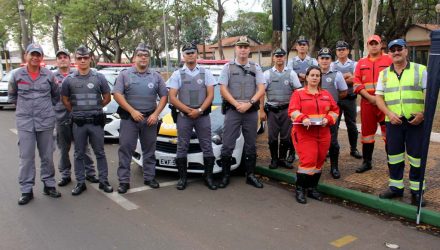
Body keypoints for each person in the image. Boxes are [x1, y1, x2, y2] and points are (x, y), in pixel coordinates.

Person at [375, 39, 427, 206]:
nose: (396, 52)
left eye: (399, 49)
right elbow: (379, 98)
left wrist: (423, 114)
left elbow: (431, 95)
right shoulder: (384, 74)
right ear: (389, 53)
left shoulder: (420, 70)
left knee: (416, 158)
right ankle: (396, 188)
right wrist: (389, 113)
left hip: (415, 122)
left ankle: (417, 191)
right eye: (393, 50)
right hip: (393, 122)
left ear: (406, 50)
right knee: (394, 156)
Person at [8, 43, 61, 205]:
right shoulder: (16, 75)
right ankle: (26, 189)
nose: (35, 57)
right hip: (25, 123)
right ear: (26, 56)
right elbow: (12, 97)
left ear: (41, 58)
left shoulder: (49, 75)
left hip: (45, 121)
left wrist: (44, 110)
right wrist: (25, 110)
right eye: (32, 54)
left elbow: (55, 95)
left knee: (47, 155)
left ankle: (49, 185)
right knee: (26, 157)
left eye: (38, 55)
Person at [113, 43, 168, 194]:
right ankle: (124, 181)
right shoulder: (124, 74)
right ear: (134, 57)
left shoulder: (155, 76)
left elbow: (164, 96)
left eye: (146, 56)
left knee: (149, 150)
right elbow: (117, 95)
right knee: (125, 150)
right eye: (140, 55)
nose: (143, 58)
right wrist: (132, 111)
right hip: (130, 119)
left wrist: (156, 114)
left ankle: (149, 177)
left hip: (149, 119)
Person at [61, 45, 113, 195]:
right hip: (79, 123)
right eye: (79, 58)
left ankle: (104, 181)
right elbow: (64, 99)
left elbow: (107, 97)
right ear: (75, 60)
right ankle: (80, 182)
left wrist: (95, 108)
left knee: (100, 153)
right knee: (78, 153)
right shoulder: (69, 80)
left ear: (90, 59)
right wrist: (77, 112)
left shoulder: (99, 77)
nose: (82, 60)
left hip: (96, 122)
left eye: (85, 58)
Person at [218, 36, 266, 189]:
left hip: (250, 112)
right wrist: (236, 104)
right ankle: (225, 175)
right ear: (236, 49)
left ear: (249, 50)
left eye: (246, 47)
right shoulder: (227, 67)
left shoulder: (256, 67)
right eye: (240, 47)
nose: (243, 49)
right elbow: (223, 89)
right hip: (233, 111)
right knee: (227, 144)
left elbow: (261, 88)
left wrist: (250, 103)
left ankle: (250, 175)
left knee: (251, 144)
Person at [167, 42, 216, 190]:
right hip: (184, 116)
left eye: (193, 52)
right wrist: (189, 111)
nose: (190, 55)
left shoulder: (205, 73)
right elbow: (172, 97)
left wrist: (199, 110)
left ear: (197, 54)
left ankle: (208, 177)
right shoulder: (177, 74)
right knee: (182, 146)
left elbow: (210, 95)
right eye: (187, 53)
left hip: (202, 116)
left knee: (207, 146)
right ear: (183, 56)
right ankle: (183, 178)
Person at [288, 65, 339, 204]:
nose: (315, 78)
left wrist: (328, 119)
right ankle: (300, 189)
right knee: (308, 162)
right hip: (304, 134)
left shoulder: (326, 94)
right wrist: (302, 118)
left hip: (323, 133)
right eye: (312, 75)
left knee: (319, 161)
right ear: (307, 77)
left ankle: (312, 189)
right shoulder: (298, 94)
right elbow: (293, 110)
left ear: (320, 78)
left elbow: (335, 111)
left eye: (318, 75)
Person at [53, 49, 98, 187]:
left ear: (70, 59)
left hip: (79, 117)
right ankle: (65, 175)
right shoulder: (51, 77)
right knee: (64, 149)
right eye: (59, 57)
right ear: (57, 61)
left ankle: (90, 173)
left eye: (65, 57)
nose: (62, 59)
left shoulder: (77, 75)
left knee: (84, 147)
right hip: (61, 118)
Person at [353, 35, 392, 173]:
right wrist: (370, 97)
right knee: (367, 133)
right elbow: (356, 82)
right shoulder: (361, 62)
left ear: (381, 44)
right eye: (371, 44)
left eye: (376, 43)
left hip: (386, 103)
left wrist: (380, 98)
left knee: (389, 133)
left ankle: (392, 164)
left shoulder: (389, 59)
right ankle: (367, 162)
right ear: (367, 46)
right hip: (367, 102)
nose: (374, 46)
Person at [261, 48, 301, 169]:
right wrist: (261, 110)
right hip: (272, 111)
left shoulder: (291, 73)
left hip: (286, 110)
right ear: (273, 58)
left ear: (285, 58)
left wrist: (296, 109)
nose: (279, 58)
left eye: (281, 56)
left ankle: (282, 159)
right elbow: (261, 92)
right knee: (272, 137)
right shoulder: (267, 74)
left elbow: (298, 91)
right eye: (277, 56)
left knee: (286, 136)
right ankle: (274, 159)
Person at [286, 36, 318, 162]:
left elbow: (317, 75)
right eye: (300, 44)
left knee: (311, 124)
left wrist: (303, 77)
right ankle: (291, 152)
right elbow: (290, 77)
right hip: (297, 96)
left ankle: (313, 151)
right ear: (297, 47)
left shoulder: (313, 61)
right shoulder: (291, 62)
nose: (302, 46)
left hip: (311, 97)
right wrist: (303, 76)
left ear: (307, 46)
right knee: (294, 125)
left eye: (305, 44)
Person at [317, 48, 348, 179]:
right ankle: (316, 166)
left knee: (332, 141)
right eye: (322, 58)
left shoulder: (337, 74)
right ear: (318, 60)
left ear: (331, 60)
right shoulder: (313, 73)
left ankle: (334, 167)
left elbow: (343, 92)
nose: (324, 61)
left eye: (327, 58)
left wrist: (332, 102)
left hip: (330, 114)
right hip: (315, 114)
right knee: (316, 140)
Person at [331, 41, 362, 159]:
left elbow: (357, 79)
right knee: (334, 125)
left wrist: (339, 78)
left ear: (348, 51)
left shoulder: (355, 64)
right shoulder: (332, 65)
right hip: (336, 100)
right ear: (336, 52)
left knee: (352, 125)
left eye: (343, 49)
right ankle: (332, 148)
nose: (341, 51)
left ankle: (353, 149)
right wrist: (346, 76)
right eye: (339, 50)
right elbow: (332, 80)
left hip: (350, 99)